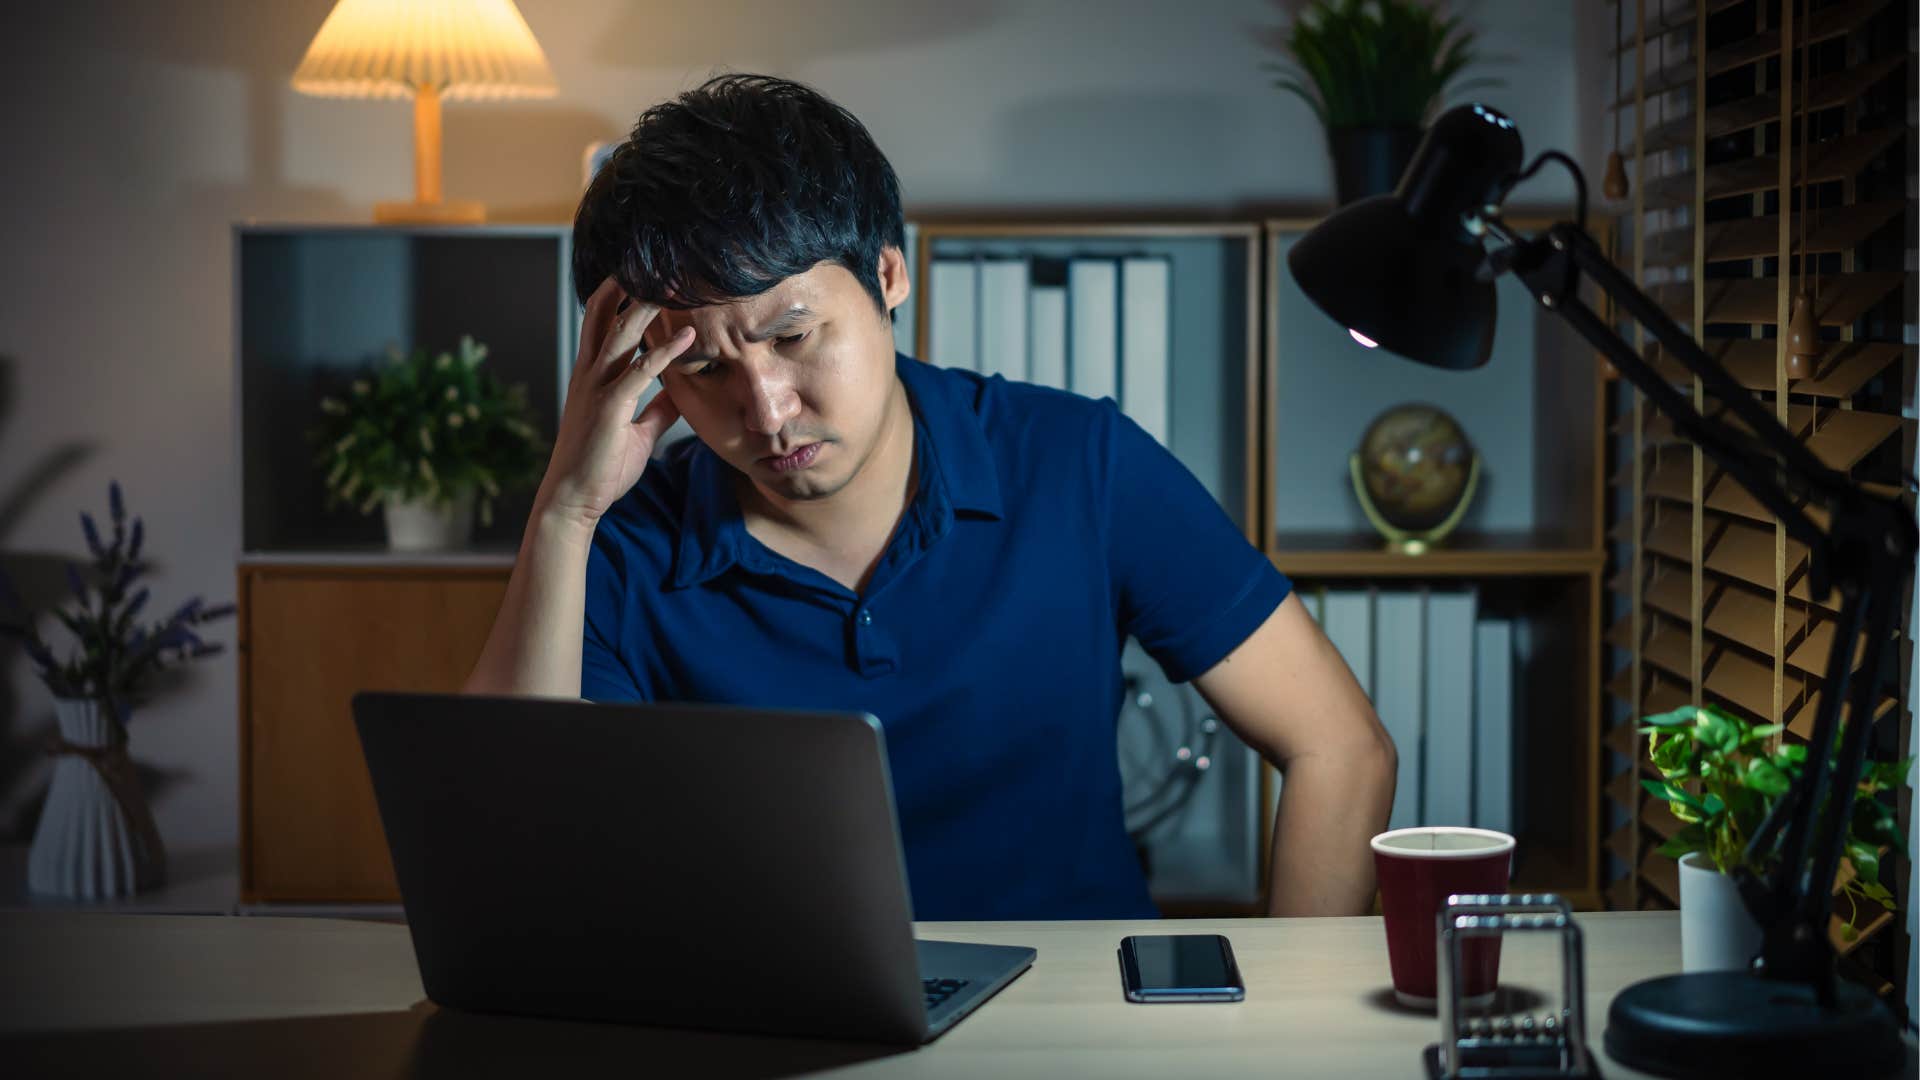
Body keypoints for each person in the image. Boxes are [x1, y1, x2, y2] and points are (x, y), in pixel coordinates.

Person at [463, 72, 1394, 920]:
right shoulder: (622, 548)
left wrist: (1292, 1012)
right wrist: (566, 510)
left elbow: (1341, 748)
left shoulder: (1077, 463)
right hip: (765, 1027)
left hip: (1071, 1025)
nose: (767, 410)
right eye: (701, 367)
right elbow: (508, 863)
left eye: (793, 336)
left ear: (888, 276)